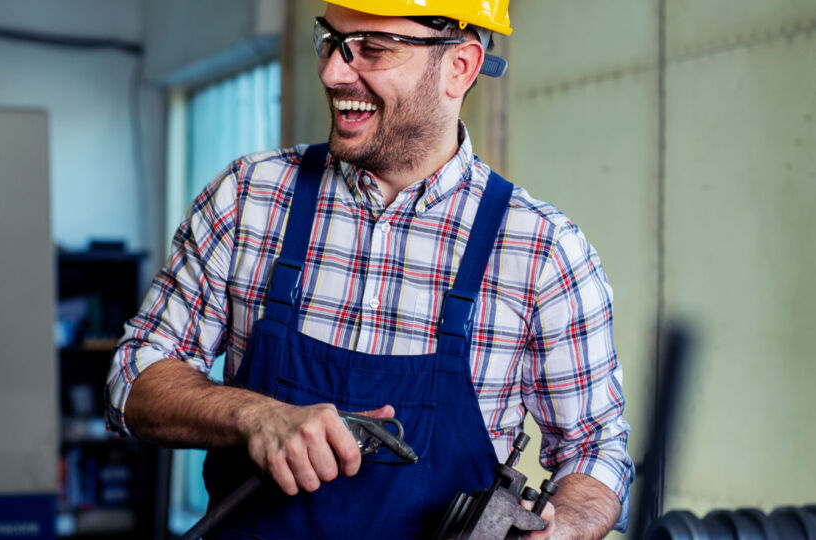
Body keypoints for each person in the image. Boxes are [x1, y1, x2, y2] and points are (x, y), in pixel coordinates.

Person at [106, 0, 633, 537]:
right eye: (330, 41)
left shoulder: (541, 251)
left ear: (461, 67)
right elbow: (134, 375)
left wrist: (563, 528)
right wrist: (254, 416)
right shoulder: (250, 198)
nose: (333, 71)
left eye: (372, 49)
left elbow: (596, 448)